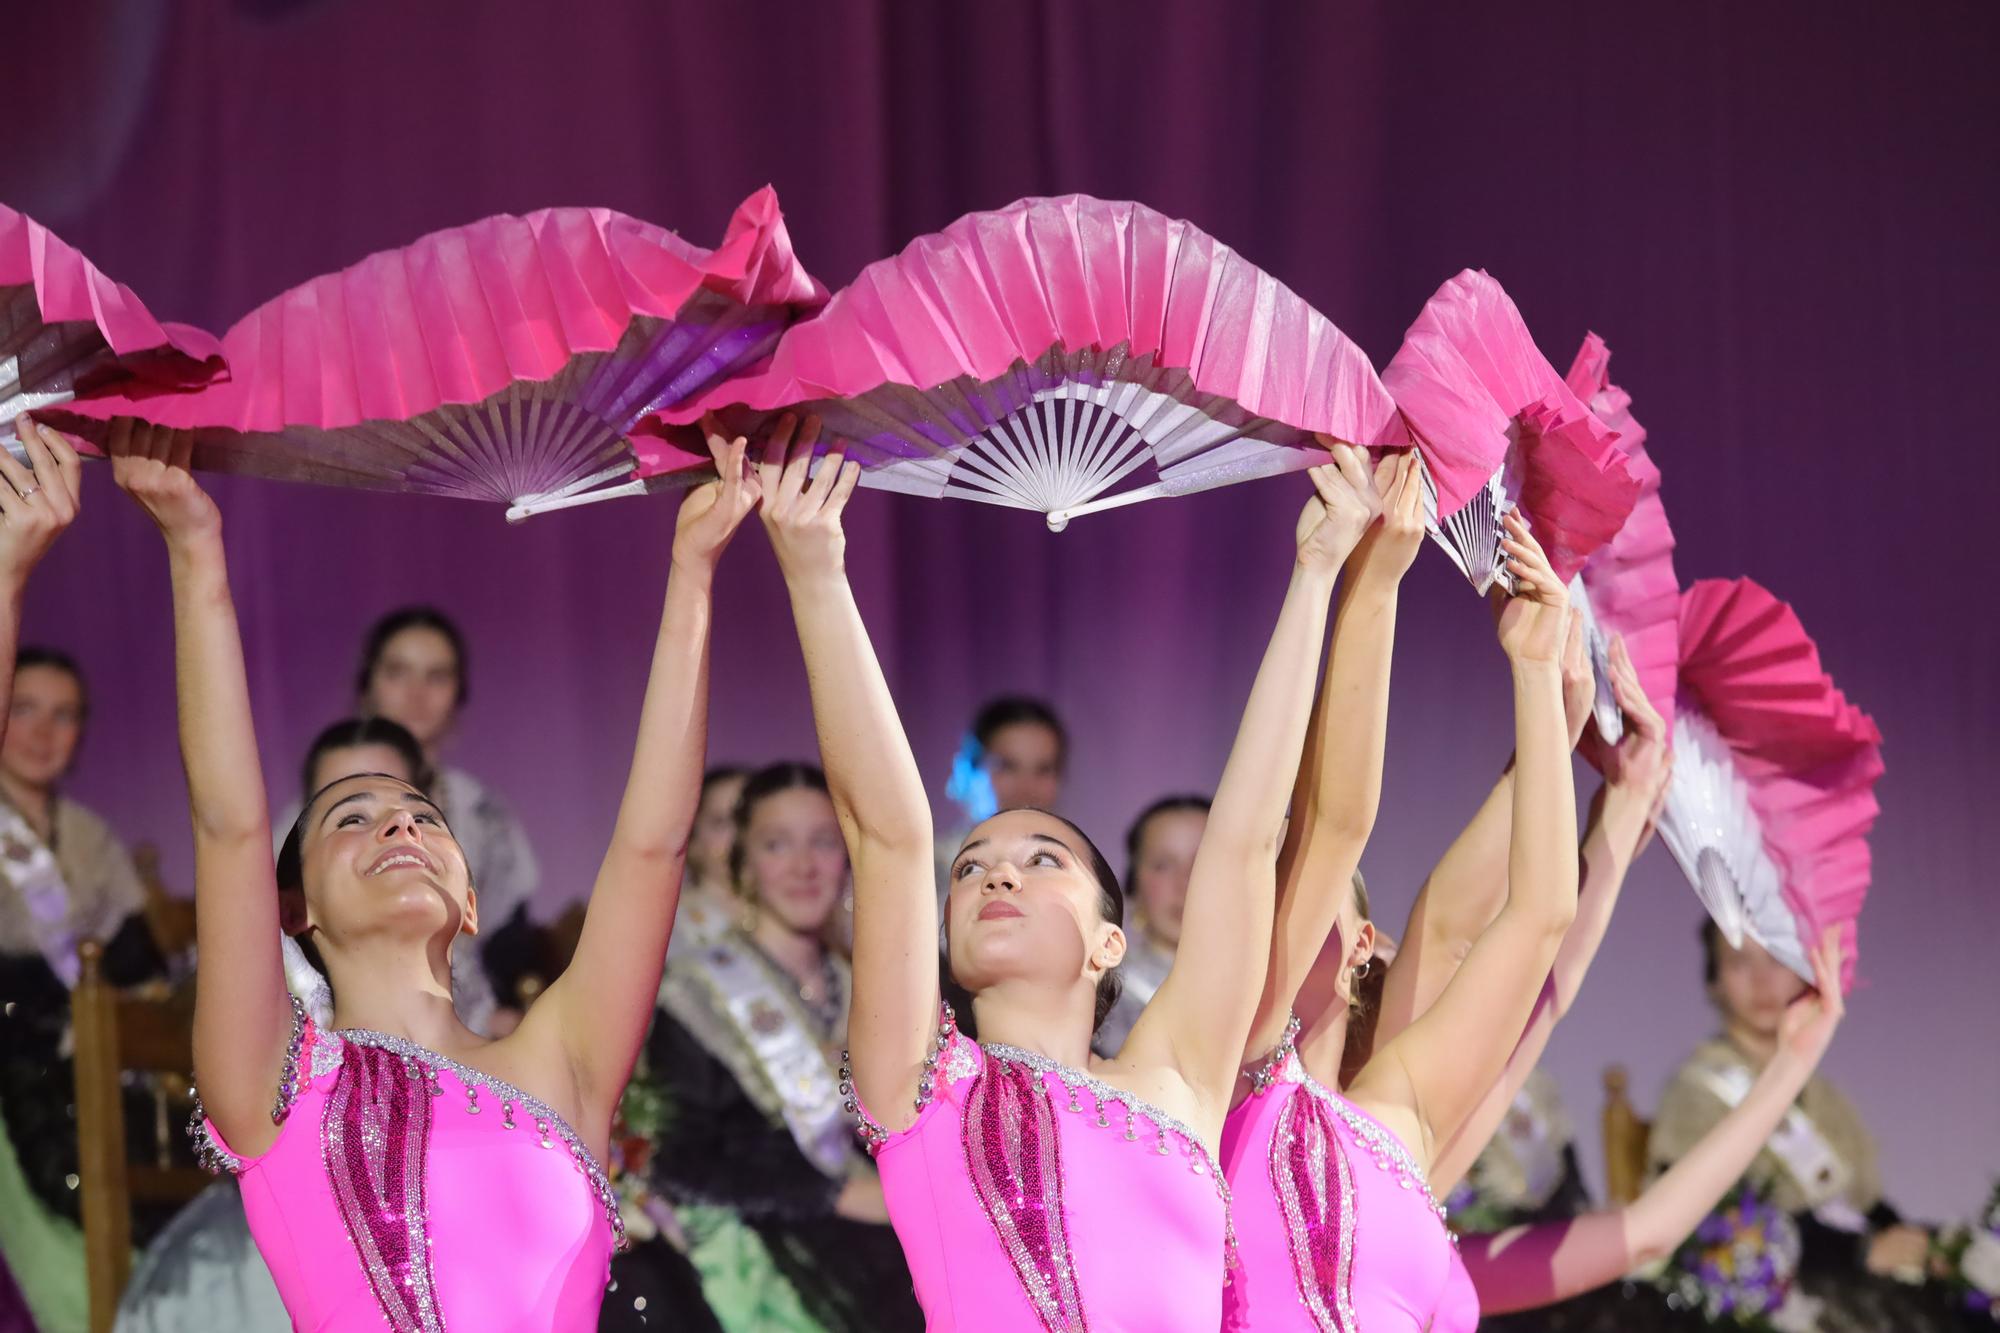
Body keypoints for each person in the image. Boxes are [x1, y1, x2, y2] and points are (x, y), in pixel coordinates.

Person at [107, 414, 758, 1330]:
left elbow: (653, 844)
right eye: (353, 816)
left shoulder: (560, 1062)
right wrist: (194, 544)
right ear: (291, 907)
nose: (400, 825)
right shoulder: (277, 1080)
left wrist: (694, 571)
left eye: (423, 817)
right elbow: (227, 823)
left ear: (471, 900)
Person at [764, 411, 1369, 1328]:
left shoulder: (1178, 1078)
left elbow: (1246, 839)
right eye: (970, 869)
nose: (995, 877)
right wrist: (816, 573)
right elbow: (886, 831)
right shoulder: (922, 1080)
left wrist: (1318, 570)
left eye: (1041, 859)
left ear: (1108, 939)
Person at [1225, 480, 1573, 1333]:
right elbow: (1337, 819)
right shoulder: (1227, 1076)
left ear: (1359, 949)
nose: (1288, 899)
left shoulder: (1403, 1115)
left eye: (1306, 889)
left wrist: (1537, 677)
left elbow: (1534, 919)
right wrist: (1373, 581)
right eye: (1274, 879)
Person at [114, 716, 431, 1333]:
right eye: (349, 813)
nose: (386, 829)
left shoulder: (460, 955)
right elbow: (226, 828)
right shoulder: (264, 977)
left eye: (405, 801)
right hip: (296, 1238)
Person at [631, 761, 920, 1332]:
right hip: (770, 1251)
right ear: (742, 863)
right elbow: (675, 1161)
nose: (804, 866)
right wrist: (833, 1195)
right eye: (776, 844)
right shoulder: (696, 995)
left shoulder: (882, 984)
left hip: (896, 1244)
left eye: (822, 842)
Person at [1640, 925, 1956, 1332]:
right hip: (1767, 1293)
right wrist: (1856, 1253)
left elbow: (1861, 1204)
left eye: (1776, 959)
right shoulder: (1697, 1091)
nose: (1761, 980)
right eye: (1739, 962)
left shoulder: (1827, 1096)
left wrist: (1912, 1243)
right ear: (1714, 983)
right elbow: (1704, 1221)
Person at [0, 416, 95, 1333]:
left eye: (64, 714)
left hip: (86, 1064)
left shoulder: (97, 839)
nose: (42, 731)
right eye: (24, 708)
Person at [1092, 794, 1209, 1057]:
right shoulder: (1103, 999)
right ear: (1133, 885)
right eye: (1162, 865)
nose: (1184, 883)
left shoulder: (1270, 995)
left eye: (1202, 862)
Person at [668, 766, 749, 961]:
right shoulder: (670, 925)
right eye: (722, 823)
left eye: (748, 820)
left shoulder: (807, 918)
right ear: (692, 840)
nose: (739, 836)